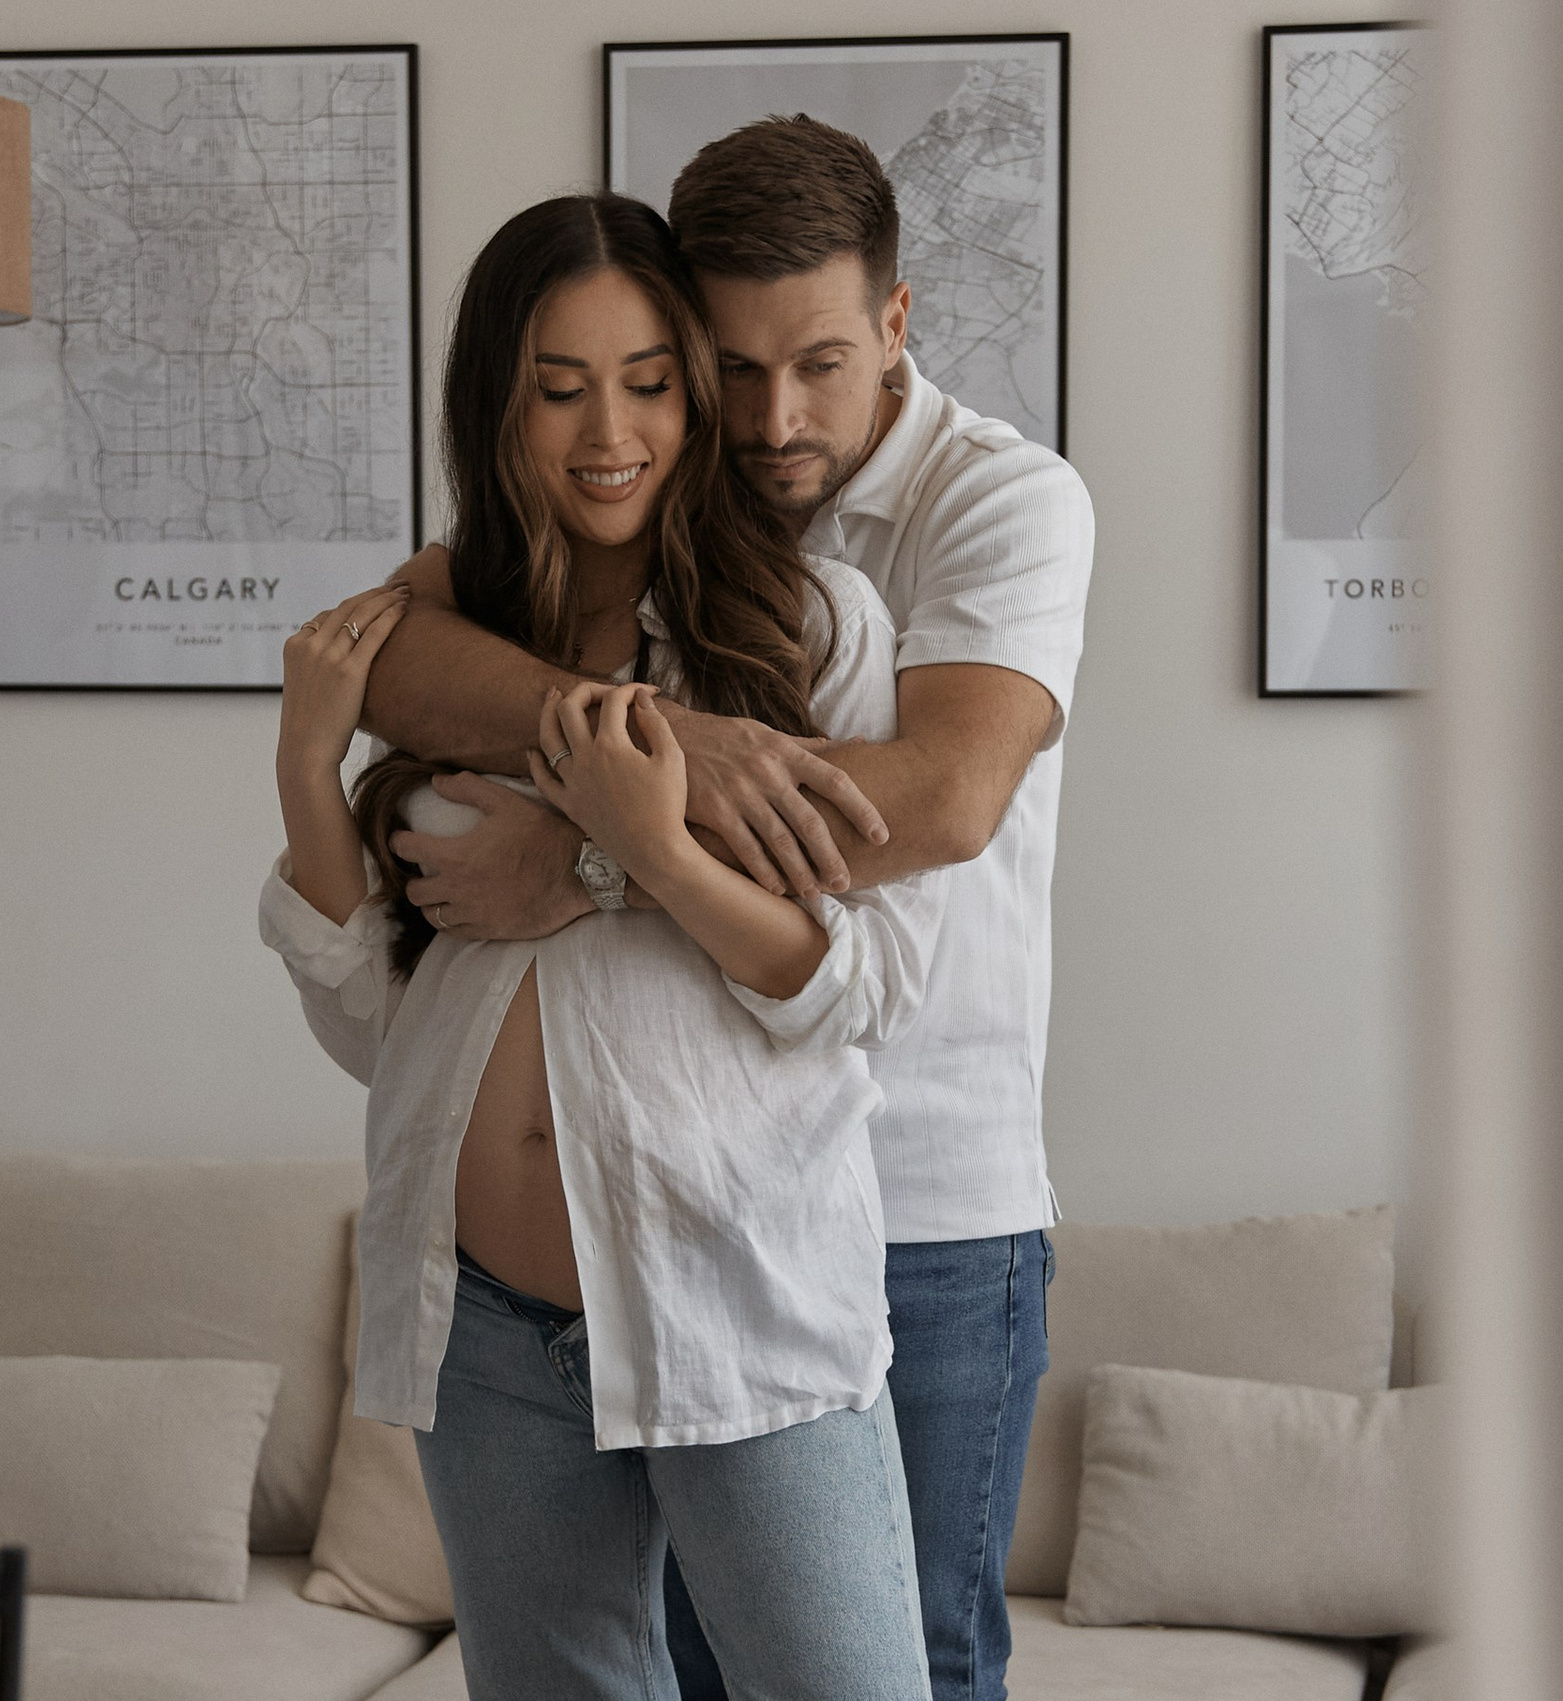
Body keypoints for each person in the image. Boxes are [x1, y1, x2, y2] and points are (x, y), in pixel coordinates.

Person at [360, 119, 1095, 1701]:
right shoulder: (639, 511)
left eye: (820, 362)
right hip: (672, 1196)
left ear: (898, 323)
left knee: (923, 1661)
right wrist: (667, 738)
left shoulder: (997, 505)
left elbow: (939, 802)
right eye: (730, 369)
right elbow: (397, 653)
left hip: (926, 1187)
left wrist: (593, 854)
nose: (773, 418)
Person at [259, 192, 942, 1701]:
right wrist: (312, 772)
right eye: (557, 390)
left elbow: (863, 987)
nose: (606, 431)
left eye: (644, 381)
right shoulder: (441, 657)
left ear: (693, 395)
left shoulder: (806, 627)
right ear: (493, 405)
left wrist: (629, 847)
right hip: (483, 1334)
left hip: (734, 1292)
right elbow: (382, 1023)